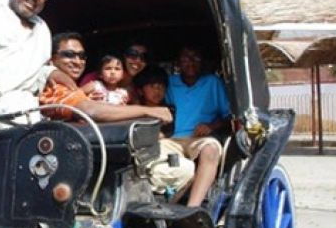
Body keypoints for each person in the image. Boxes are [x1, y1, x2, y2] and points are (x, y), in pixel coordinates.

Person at [39, 32, 172, 124]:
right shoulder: (55, 87)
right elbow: (90, 110)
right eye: (69, 54)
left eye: (82, 56)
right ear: (52, 59)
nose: (77, 61)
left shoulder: (71, 89)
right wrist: (149, 111)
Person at [164, 45, 231, 208]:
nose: (191, 63)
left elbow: (229, 117)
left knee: (211, 150)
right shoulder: (169, 83)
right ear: (178, 62)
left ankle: (192, 209)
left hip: (200, 139)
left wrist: (211, 126)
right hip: (172, 140)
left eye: (196, 58)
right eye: (186, 58)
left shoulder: (213, 82)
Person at [133, 65, 195, 197]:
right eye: (152, 86)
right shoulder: (133, 110)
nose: (158, 90)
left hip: (157, 153)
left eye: (161, 87)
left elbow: (165, 134)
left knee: (186, 168)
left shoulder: (168, 111)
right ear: (140, 91)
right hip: (136, 156)